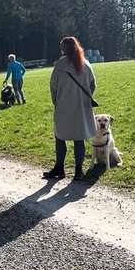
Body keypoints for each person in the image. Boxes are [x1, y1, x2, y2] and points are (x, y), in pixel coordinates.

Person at [43, 36, 97, 180]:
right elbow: (93, 85)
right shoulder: (86, 64)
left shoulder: (60, 65)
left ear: (64, 49)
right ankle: (78, 171)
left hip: (63, 107)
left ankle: (59, 168)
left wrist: (56, 102)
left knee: (60, 137)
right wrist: (85, 98)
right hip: (82, 107)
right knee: (79, 139)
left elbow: (53, 87)